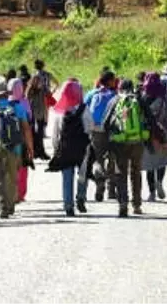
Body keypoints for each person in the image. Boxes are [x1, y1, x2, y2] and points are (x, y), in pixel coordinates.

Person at [104, 77, 151, 218]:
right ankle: (136, 205)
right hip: (137, 141)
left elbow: (106, 123)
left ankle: (122, 204)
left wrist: (111, 139)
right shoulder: (139, 100)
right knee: (136, 172)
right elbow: (150, 118)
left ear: (119, 88)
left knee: (121, 172)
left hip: (120, 142)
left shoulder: (115, 100)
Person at [0, 81, 32, 219]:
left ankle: (2, 206)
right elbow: (26, 129)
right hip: (15, 148)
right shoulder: (18, 107)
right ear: (7, 94)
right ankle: (11, 205)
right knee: (12, 177)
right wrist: (30, 148)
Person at [47, 78, 91, 216]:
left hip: (65, 149)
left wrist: (56, 149)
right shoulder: (84, 109)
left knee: (67, 177)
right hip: (82, 148)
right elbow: (90, 127)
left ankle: (68, 205)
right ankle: (81, 198)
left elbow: (55, 134)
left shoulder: (59, 112)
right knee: (82, 174)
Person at [84, 69, 118, 202]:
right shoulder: (115, 95)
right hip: (111, 130)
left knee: (98, 160)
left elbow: (84, 109)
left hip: (96, 130)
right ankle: (111, 190)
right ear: (109, 81)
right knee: (112, 158)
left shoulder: (92, 94)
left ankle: (100, 184)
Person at [140, 72, 167, 201]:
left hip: (147, 134)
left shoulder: (143, 99)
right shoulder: (164, 100)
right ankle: (160, 181)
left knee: (149, 165)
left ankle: (152, 192)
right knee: (161, 162)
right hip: (161, 133)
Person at [9, 78, 33, 201]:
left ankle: (11, 193)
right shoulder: (24, 103)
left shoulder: (5, 103)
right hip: (22, 140)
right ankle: (20, 193)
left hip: (7, 140)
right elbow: (29, 122)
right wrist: (31, 148)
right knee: (23, 168)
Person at [27, 58, 55, 160]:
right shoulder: (45, 82)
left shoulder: (31, 86)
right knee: (39, 132)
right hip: (40, 111)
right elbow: (48, 96)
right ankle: (39, 152)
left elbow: (27, 98)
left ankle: (35, 151)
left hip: (34, 111)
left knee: (36, 132)